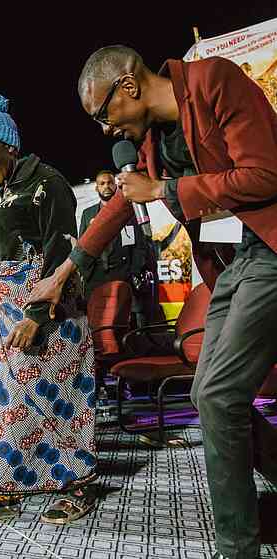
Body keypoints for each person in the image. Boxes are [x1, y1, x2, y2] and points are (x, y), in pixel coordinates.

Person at [28, 45, 277, 559]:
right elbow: (117, 207)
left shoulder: (214, 80)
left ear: (129, 87)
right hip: (229, 263)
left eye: (102, 114)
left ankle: (238, 548)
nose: (103, 129)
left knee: (218, 395)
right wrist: (64, 273)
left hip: (270, 245)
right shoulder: (151, 145)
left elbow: (266, 173)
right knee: (206, 397)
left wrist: (164, 189)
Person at [0, 93, 98, 524]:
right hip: (1, 314)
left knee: (59, 405)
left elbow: (58, 253)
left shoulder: (47, 184)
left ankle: (76, 488)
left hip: (51, 316)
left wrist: (35, 318)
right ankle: (5, 490)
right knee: (1, 406)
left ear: (8, 144)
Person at [79, 169, 148, 307]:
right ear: (96, 187)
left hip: (124, 277)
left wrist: (134, 272)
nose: (106, 186)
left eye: (110, 182)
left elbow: (140, 246)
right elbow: (82, 247)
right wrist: (86, 275)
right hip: (96, 280)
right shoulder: (88, 214)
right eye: (102, 183)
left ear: (115, 185)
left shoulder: (130, 211)